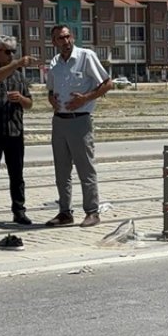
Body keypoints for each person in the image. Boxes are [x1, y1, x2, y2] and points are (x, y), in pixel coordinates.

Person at [44, 24, 112, 228]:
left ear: (72, 37)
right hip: (59, 121)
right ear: (54, 42)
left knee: (85, 169)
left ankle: (92, 212)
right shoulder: (55, 62)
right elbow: (50, 90)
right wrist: (51, 99)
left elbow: (107, 83)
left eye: (68, 37)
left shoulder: (86, 56)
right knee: (62, 171)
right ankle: (65, 212)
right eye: (60, 38)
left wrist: (86, 98)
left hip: (80, 120)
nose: (65, 42)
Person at [0, 35, 40, 226]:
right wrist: (17, 64)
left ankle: (19, 211)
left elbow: (29, 103)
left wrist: (21, 99)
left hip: (14, 131)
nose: (12, 55)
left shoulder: (19, 76)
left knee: (17, 174)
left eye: (14, 51)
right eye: (8, 51)